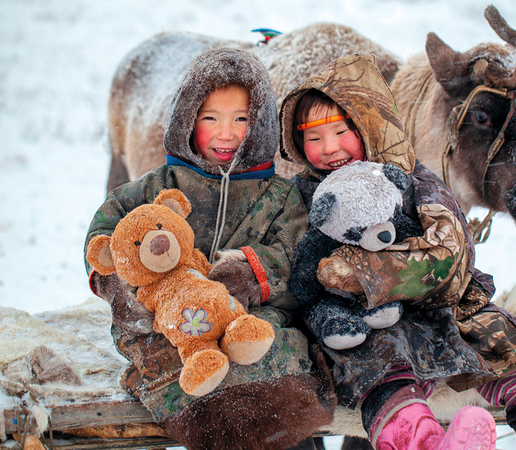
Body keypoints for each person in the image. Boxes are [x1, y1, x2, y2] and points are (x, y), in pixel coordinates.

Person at [279, 54, 516, 450]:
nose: (329, 149)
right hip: (369, 323)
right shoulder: (304, 195)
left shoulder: (415, 181)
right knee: (382, 370)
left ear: (370, 126)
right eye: (314, 139)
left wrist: (371, 273)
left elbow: (451, 251)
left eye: (340, 133)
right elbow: (295, 259)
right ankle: (426, 444)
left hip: (445, 304)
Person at [84, 47, 336, 450]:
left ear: (260, 125)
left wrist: (252, 274)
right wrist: (120, 285)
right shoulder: (159, 185)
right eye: (210, 119)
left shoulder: (279, 196)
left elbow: (298, 257)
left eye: (241, 119)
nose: (227, 133)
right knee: (180, 368)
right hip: (169, 322)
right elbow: (107, 226)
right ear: (187, 119)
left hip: (252, 318)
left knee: (277, 372)